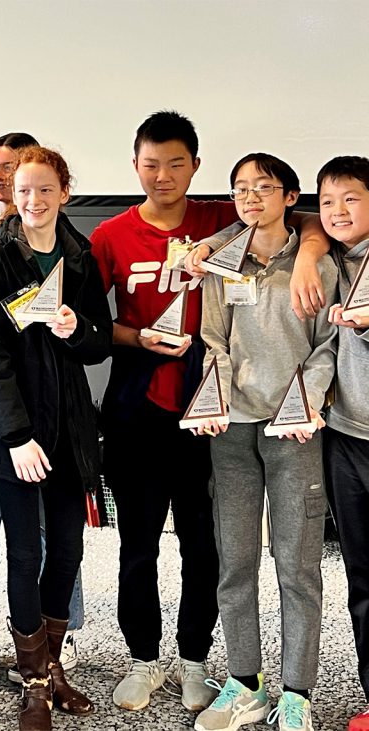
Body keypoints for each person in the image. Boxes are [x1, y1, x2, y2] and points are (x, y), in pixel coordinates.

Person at [91, 110, 328, 714]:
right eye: (150, 163)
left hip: (214, 410)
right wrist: (138, 338)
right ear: (134, 166)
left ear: (196, 166)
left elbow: (298, 220)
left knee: (208, 545)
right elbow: (92, 325)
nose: (162, 175)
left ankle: (197, 661)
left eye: (176, 163)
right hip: (138, 408)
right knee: (137, 544)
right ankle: (145, 660)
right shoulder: (111, 235)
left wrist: (307, 256)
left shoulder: (221, 220)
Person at [0, 146, 110, 731]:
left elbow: (99, 342)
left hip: (69, 428)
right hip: (15, 436)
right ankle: (33, 681)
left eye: (45, 189)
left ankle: (53, 669)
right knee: (23, 555)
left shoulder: (80, 255)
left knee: (67, 554)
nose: (33, 200)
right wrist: (18, 437)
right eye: (23, 190)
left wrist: (78, 331)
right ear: (11, 194)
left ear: (65, 193)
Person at [191, 153, 336, 731]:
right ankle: (244, 682)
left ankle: (297, 691)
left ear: (289, 195)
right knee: (235, 560)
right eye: (240, 190)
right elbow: (213, 341)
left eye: (264, 187)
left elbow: (328, 345)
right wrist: (215, 398)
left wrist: (308, 401)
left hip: (294, 431)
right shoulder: (221, 264)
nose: (250, 198)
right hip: (231, 431)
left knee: (298, 566)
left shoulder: (315, 263)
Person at [317, 157, 369, 731]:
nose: (337, 211)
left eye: (350, 198)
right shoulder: (330, 259)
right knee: (362, 576)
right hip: (347, 437)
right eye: (328, 201)